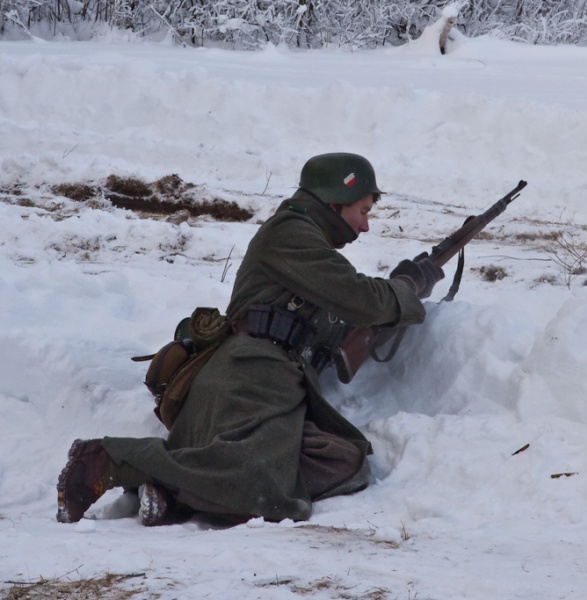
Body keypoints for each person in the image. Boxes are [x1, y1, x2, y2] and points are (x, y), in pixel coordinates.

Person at [56, 152, 444, 526]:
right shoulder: (291, 233)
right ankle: (107, 459)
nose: (365, 226)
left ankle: (172, 491)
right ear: (334, 202)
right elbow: (363, 299)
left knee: (346, 462)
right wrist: (408, 287)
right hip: (250, 379)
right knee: (265, 490)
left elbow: (343, 319)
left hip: (266, 384)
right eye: (363, 212)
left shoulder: (308, 244)